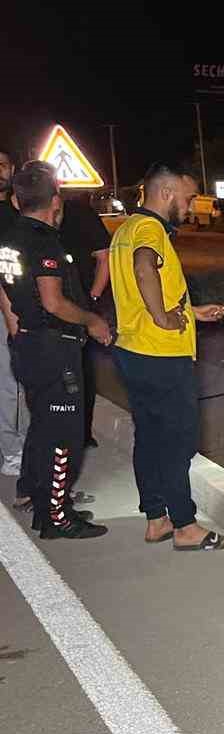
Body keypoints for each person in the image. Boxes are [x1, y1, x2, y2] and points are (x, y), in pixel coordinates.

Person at [108, 166, 224, 550]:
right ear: (166, 191)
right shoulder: (150, 231)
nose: (190, 204)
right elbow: (144, 268)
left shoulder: (126, 230)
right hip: (162, 354)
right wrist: (163, 318)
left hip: (134, 350)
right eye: (188, 196)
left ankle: (156, 518)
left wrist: (192, 311)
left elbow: (141, 286)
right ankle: (185, 524)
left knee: (149, 437)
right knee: (178, 440)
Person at [0, 161, 113, 537]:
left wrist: (17, 334)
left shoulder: (10, 237)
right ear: (56, 202)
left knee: (42, 427)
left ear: (16, 200)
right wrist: (92, 321)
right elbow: (53, 302)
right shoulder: (44, 241)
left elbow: (7, 293)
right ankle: (57, 516)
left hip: (29, 343)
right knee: (64, 435)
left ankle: (34, 492)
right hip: (54, 348)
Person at [57, 188, 112, 447]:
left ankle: (80, 433)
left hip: (80, 308)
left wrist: (93, 297)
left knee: (82, 372)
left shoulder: (80, 214)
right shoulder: (28, 221)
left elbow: (104, 257)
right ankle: (66, 433)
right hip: (49, 311)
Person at [0, 150, 27, 484]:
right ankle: (12, 452)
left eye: (4, 165)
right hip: (7, 310)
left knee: (12, 383)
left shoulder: (15, 213)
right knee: (9, 384)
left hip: (13, 306)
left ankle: (15, 450)